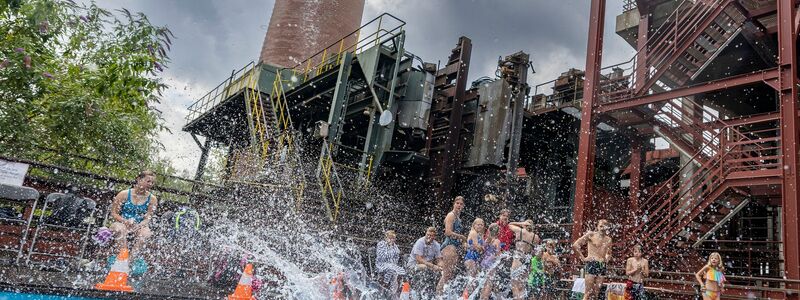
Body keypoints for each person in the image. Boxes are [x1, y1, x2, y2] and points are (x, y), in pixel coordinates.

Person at [109, 170, 158, 259]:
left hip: (139, 225)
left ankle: (130, 261)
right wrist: (125, 221)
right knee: (120, 229)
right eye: (148, 181)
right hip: (122, 222)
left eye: (152, 182)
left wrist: (139, 225)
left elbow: (148, 218)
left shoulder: (153, 199)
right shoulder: (123, 194)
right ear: (139, 180)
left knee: (146, 234)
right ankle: (123, 256)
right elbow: (114, 213)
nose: (150, 184)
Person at [572, 219, 613, 300]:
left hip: (602, 265)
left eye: (604, 226)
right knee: (587, 292)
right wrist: (583, 258)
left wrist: (607, 259)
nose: (602, 228)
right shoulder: (591, 235)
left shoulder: (608, 239)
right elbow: (575, 245)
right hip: (592, 263)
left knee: (596, 293)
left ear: (607, 228)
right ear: (597, 227)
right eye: (600, 226)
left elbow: (609, 252)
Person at [436, 196, 468, 295]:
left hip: (454, 248)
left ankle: (442, 295)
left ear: (463, 206)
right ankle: (438, 296)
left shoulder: (458, 218)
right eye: (457, 203)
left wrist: (463, 242)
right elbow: (448, 232)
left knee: (449, 275)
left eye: (461, 204)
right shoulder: (451, 215)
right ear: (454, 204)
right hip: (449, 246)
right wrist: (462, 237)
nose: (459, 205)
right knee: (446, 274)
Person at [407, 227, 443, 297]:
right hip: (414, 265)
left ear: (434, 237)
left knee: (440, 272)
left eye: (431, 235)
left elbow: (439, 260)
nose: (429, 237)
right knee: (424, 267)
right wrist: (433, 266)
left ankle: (434, 294)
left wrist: (441, 267)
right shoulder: (420, 242)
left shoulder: (436, 245)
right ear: (426, 233)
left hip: (428, 266)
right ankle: (417, 293)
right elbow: (419, 259)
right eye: (428, 234)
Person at [508, 219, 540, 300]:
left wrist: (521, 223)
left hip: (518, 259)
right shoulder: (536, 237)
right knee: (522, 286)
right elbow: (534, 252)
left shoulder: (520, 231)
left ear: (525, 225)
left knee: (514, 285)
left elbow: (509, 224)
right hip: (527, 262)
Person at [463, 218, 486, 298]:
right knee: (471, 280)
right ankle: (464, 298)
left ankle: (468, 297)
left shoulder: (480, 235)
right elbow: (477, 247)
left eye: (481, 225)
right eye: (478, 224)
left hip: (475, 259)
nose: (480, 226)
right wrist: (482, 248)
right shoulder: (473, 233)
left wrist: (482, 248)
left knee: (474, 280)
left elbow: (482, 247)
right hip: (470, 258)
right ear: (474, 225)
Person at [479, 223, 503, 300]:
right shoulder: (497, 241)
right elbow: (498, 255)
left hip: (484, 262)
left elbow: (482, 250)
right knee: (489, 284)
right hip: (491, 264)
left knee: (483, 284)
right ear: (498, 232)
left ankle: (482, 297)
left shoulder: (487, 240)